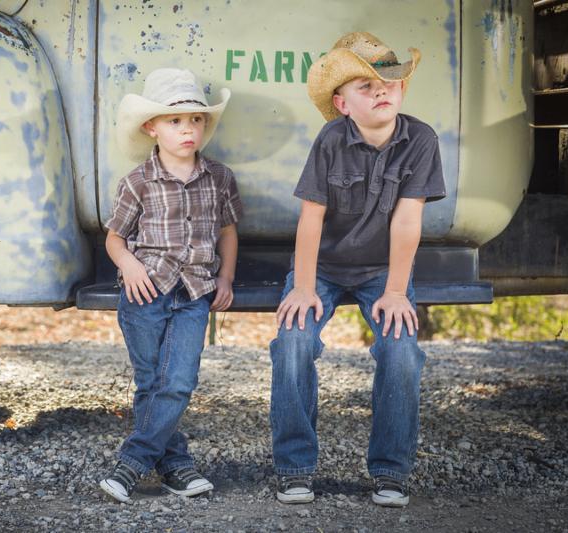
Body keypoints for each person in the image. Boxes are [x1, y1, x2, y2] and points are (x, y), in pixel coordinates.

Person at [270, 32, 446, 507]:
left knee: (401, 351)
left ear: (402, 91)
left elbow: (409, 221)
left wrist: (395, 291)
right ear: (342, 103)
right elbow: (311, 219)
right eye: (365, 87)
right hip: (322, 267)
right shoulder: (330, 140)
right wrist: (304, 286)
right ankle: (295, 467)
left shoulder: (421, 140)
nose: (381, 91)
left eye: (389, 81)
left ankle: (390, 471)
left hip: (381, 271)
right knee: (292, 341)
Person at [99, 68, 243, 503]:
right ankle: (176, 466)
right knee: (150, 383)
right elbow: (115, 238)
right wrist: (129, 266)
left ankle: (131, 465)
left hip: (194, 293)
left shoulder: (219, 178)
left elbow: (228, 232)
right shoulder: (137, 183)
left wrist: (227, 277)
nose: (188, 129)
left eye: (196, 120)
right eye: (176, 121)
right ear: (152, 128)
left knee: (178, 381)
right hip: (145, 293)